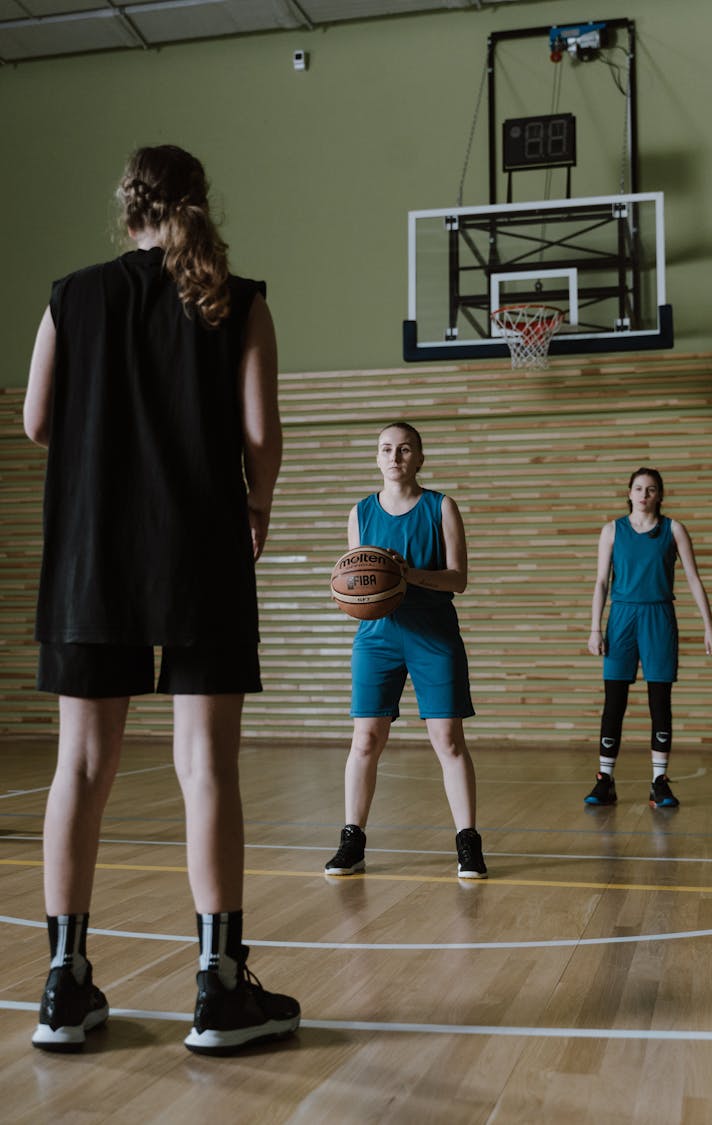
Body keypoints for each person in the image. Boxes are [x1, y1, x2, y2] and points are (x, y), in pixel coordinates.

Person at [23, 145, 299, 1054]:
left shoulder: (71, 295)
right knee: (204, 769)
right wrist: (255, 503)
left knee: (81, 769)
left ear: (126, 207)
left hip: (91, 551)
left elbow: (35, 419)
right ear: (199, 203)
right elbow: (262, 434)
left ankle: (64, 984)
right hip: (199, 549)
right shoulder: (239, 298)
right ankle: (220, 990)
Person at [324, 422, 487, 880]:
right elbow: (359, 586)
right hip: (377, 637)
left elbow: (459, 579)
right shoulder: (359, 512)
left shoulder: (441, 506)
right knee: (366, 739)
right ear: (376, 457)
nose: (394, 456)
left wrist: (409, 575)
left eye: (404, 449)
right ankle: (351, 841)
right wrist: (353, 595)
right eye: (386, 449)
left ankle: (468, 844)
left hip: (433, 632)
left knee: (449, 741)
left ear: (419, 457)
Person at [584, 467, 712, 808]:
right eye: (638, 488)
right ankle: (605, 780)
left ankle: (659, 781)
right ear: (629, 493)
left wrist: (709, 625)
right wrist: (595, 627)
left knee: (659, 701)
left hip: (659, 616)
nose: (644, 494)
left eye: (651, 489)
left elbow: (693, 578)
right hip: (622, 617)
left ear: (659, 495)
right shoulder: (612, 530)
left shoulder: (673, 529)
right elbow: (602, 582)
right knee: (614, 702)